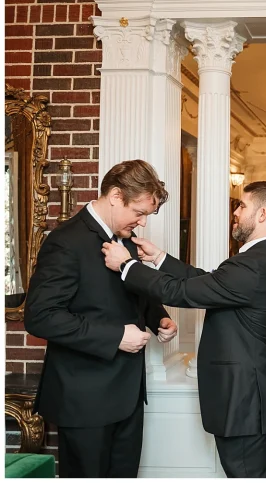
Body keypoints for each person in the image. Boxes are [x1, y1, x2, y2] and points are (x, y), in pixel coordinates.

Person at [102, 181, 266, 478]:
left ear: (262, 215)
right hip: (243, 393)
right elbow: (208, 282)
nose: (236, 211)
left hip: (242, 395)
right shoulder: (258, 259)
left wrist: (127, 266)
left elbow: (182, 293)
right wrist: (160, 259)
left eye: (243, 205)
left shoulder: (254, 265)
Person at [24, 160, 177, 478]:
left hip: (128, 395)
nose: (143, 223)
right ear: (116, 196)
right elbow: (40, 317)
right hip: (85, 399)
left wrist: (158, 317)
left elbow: (125, 293)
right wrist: (116, 337)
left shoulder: (126, 240)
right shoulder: (66, 242)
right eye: (139, 212)